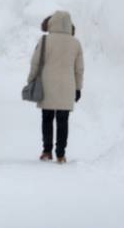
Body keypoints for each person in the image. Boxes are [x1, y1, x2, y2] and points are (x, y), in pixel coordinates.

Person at [26, 11, 84, 164]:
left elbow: (35, 63)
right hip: (68, 86)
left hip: (47, 84)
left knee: (47, 118)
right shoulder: (75, 43)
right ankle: (61, 154)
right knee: (63, 120)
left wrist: (30, 79)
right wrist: (78, 88)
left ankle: (46, 151)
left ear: (52, 23)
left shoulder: (45, 40)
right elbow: (79, 69)